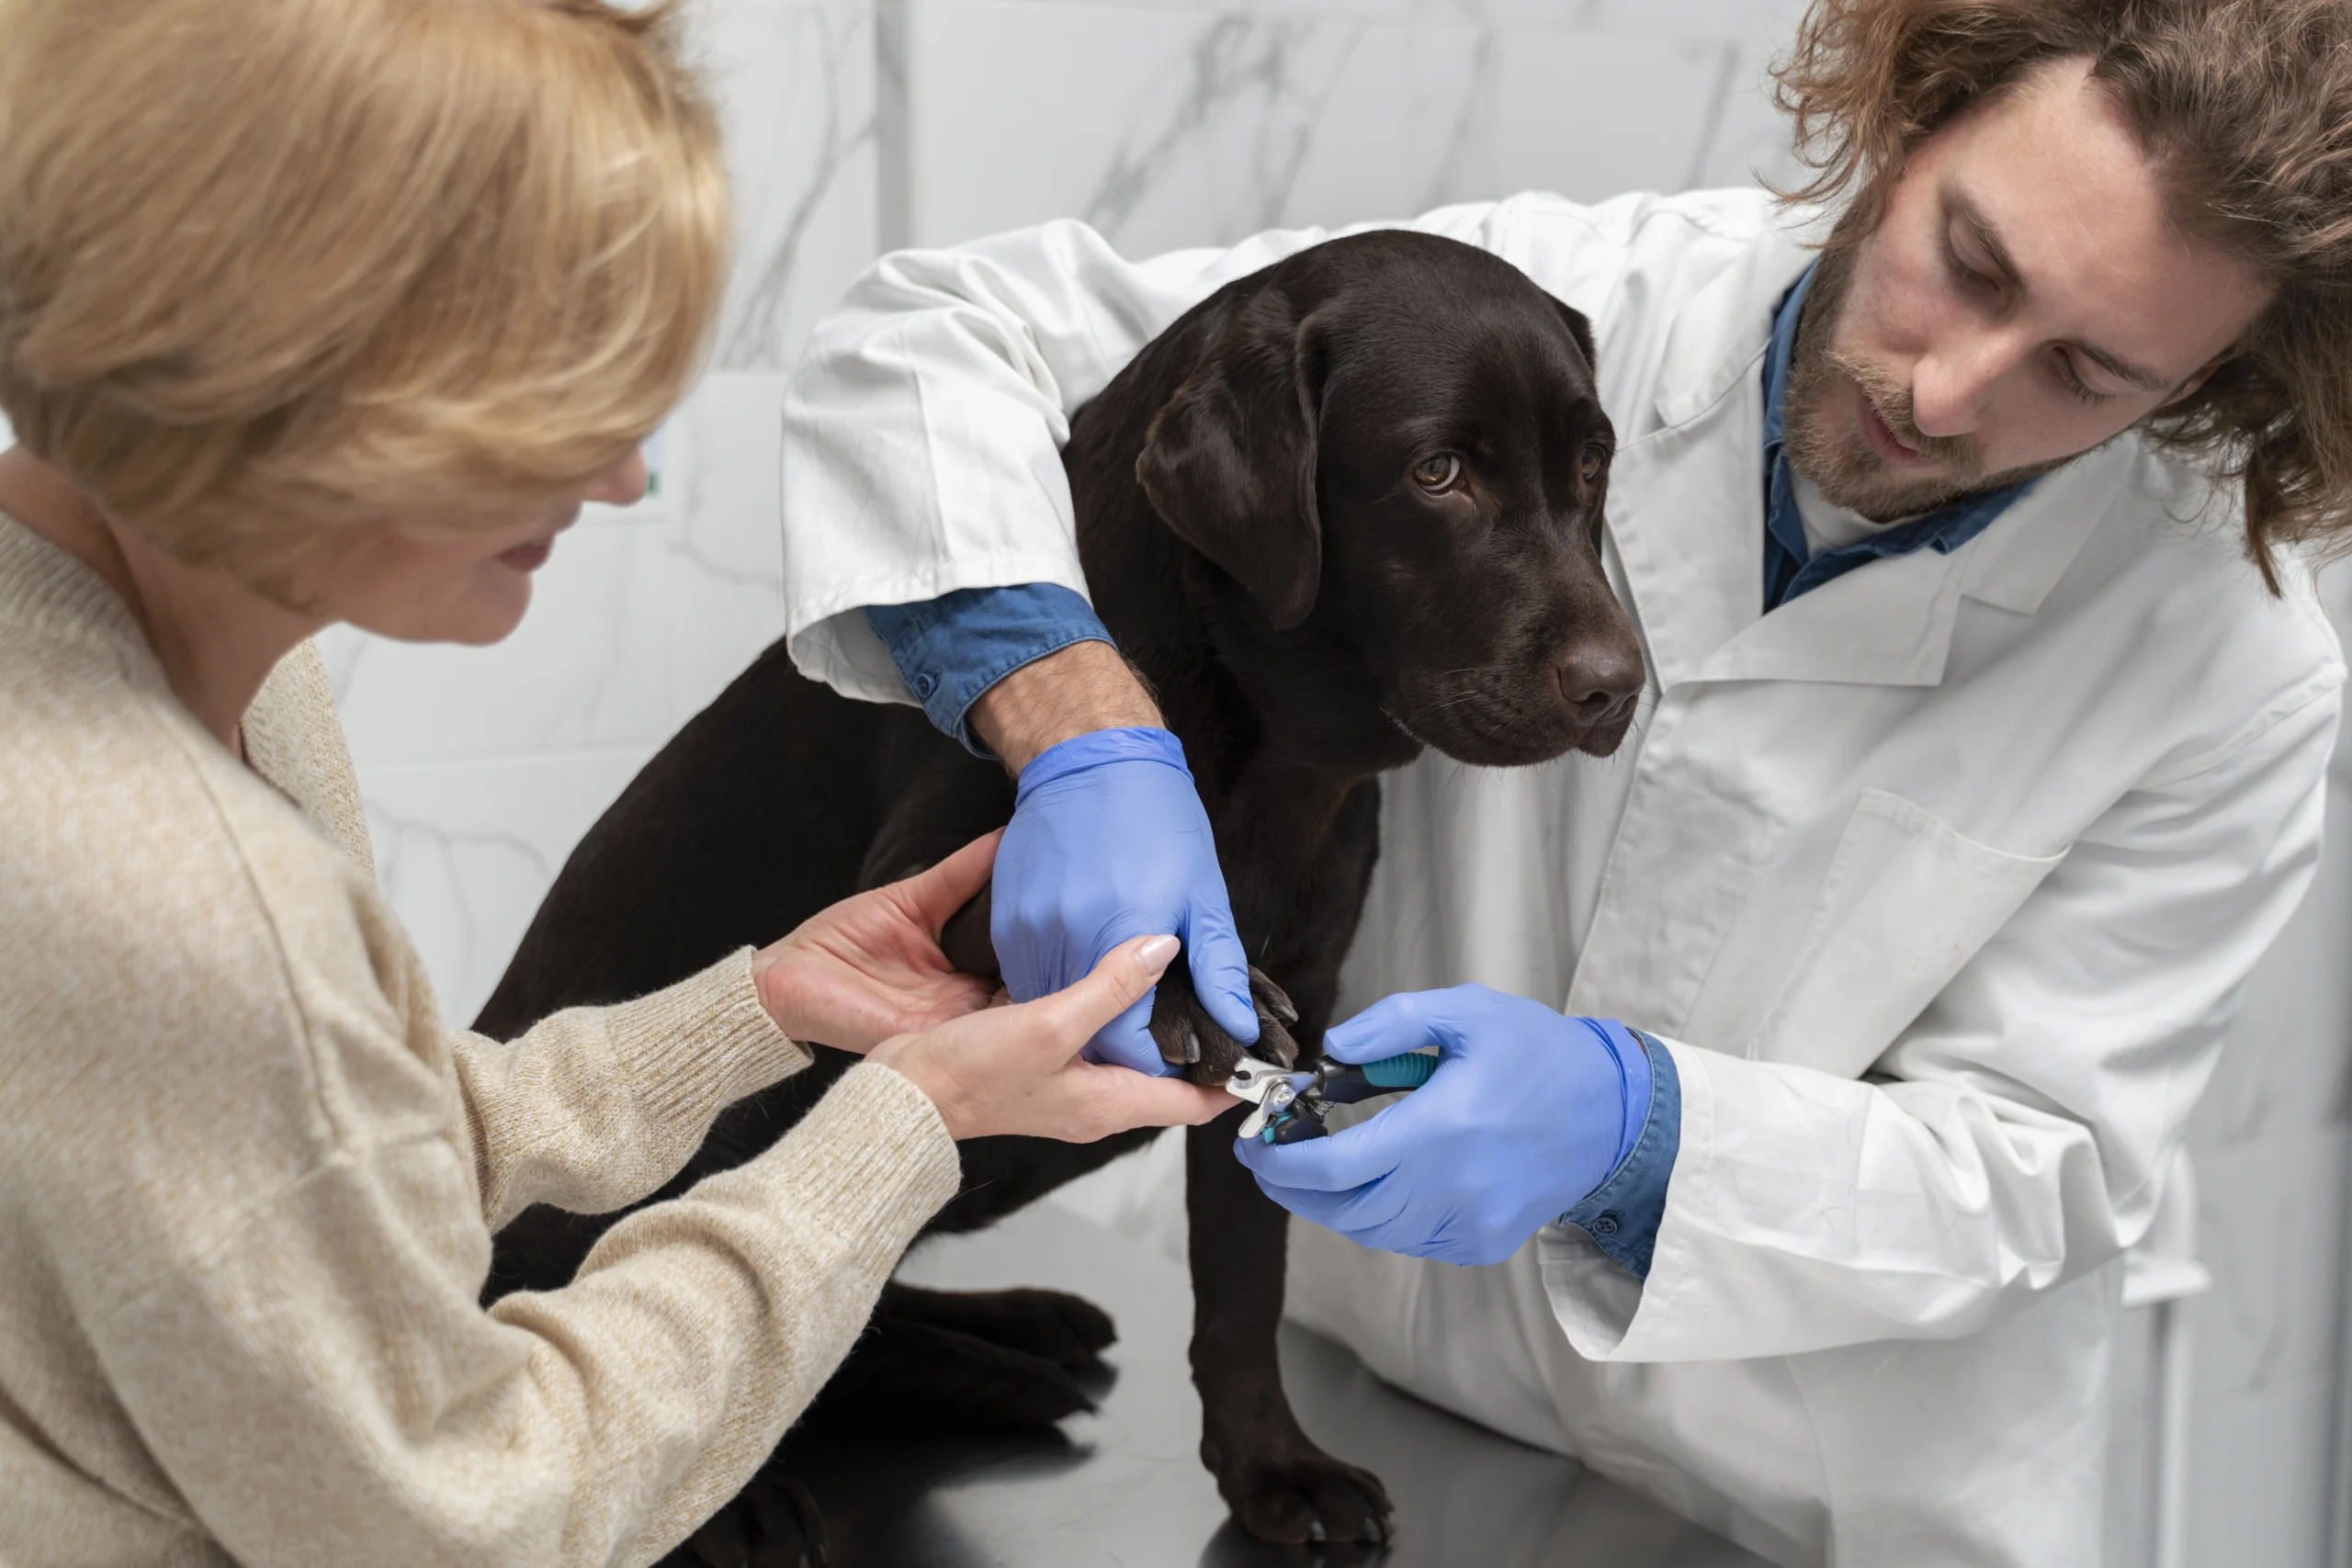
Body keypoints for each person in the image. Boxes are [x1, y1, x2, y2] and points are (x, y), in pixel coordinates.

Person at [772, 1, 2352, 1562]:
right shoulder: (1564, 304)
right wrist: (1075, 728)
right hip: (1365, 1393)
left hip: (1809, 1507)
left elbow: (2041, 1167)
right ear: (1917, 110)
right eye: (1971, 260)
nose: (1951, 391)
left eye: (2085, 370)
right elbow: (927, 343)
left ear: (2209, 384)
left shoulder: (2232, 667)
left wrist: (1631, 1128)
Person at [0, 3, 1233, 1565]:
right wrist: (897, 1132)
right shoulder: (181, 891)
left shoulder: (163, 671)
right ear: (292, 352)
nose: (622, 475)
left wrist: (758, 1012)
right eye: (550, 391)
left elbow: (281, 1175)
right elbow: (481, 1509)